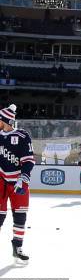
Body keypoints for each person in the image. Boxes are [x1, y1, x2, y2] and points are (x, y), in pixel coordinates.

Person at [0, 104, 35, 264]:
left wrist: (24, 177)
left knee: (20, 216)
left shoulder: (22, 136)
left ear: (5, 120)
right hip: (0, 179)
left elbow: (28, 160)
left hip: (18, 181)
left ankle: (17, 247)